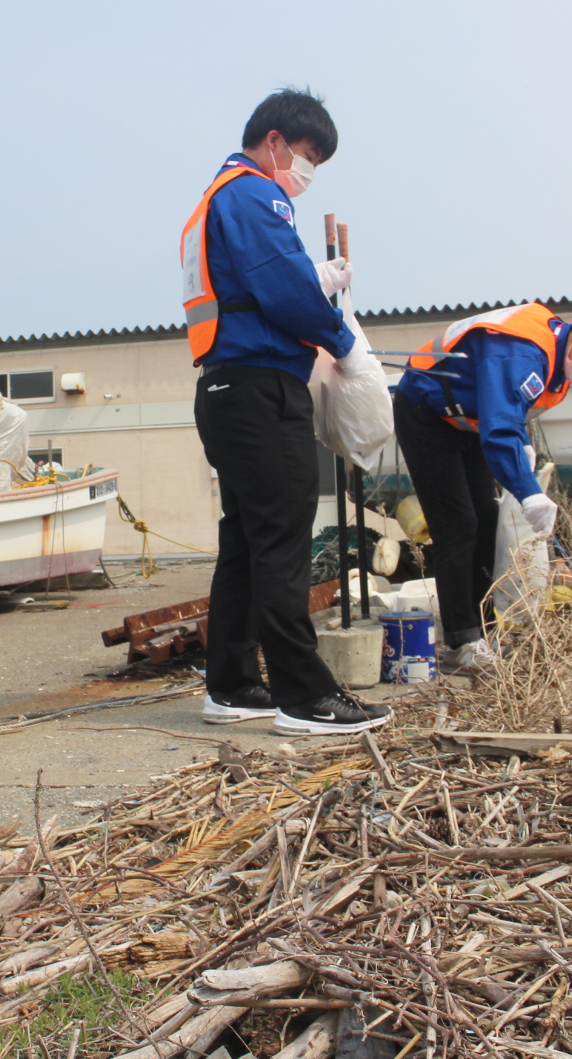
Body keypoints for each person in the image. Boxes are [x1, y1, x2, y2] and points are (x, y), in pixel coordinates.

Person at [182, 89, 391, 736]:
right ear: (273, 141)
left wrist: (310, 279)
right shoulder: (253, 192)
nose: (305, 176)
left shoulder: (213, 201)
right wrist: (343, 338)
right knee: (281, 539)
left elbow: (260, 280)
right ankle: (306, 697)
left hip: (224, 389)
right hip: (260, 390)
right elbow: (278, 288)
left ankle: (234, 684)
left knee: (247, 541)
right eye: (305, 158)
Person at [392, 300, 572, 673]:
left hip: (467, 422)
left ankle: (485, 635)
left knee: (486, 519)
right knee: (457, 525)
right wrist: (529, 492)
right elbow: (500, 428)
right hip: (426, 413)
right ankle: (462, 644)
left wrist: (523, 448)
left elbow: (511, 412)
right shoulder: (522, 348)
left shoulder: (557, 361)